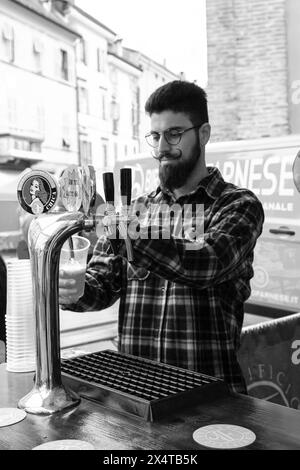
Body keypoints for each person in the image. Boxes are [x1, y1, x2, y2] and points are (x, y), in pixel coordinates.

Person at [59, 80, 264, 394]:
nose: (161, 148)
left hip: (210, 396)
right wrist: (75, 289)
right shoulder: (136, 210)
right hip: (138, 392)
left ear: (204, 133)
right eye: (155, 136)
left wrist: (117, 226)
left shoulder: (237, 205)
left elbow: (203, 263)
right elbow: (103, 285)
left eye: (174, 133)